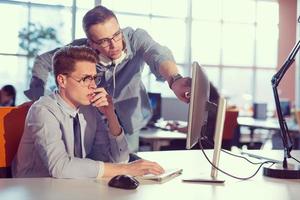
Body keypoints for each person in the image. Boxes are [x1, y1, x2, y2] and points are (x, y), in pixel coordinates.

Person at [24, 5, 191, 152]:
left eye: (116, 35)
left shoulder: (136, 38)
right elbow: (43, 61)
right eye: (104, 41)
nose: (115, 45)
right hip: (93, 121)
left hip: (129, 121)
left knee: (126, 164)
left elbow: (158, 54)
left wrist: (174, 79)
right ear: (91, 43)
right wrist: (39, 99)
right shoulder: (79, 50)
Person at [12, 46, 164, 178]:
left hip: (73, 187)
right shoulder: (43, 110)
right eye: (85, 79)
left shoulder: (89, 110)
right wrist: (125, 169)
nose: (93, 86)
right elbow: (60, 167)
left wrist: (110, 115)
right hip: (34, 188)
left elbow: (116, 160)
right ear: (62, 80)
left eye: (94, 78)